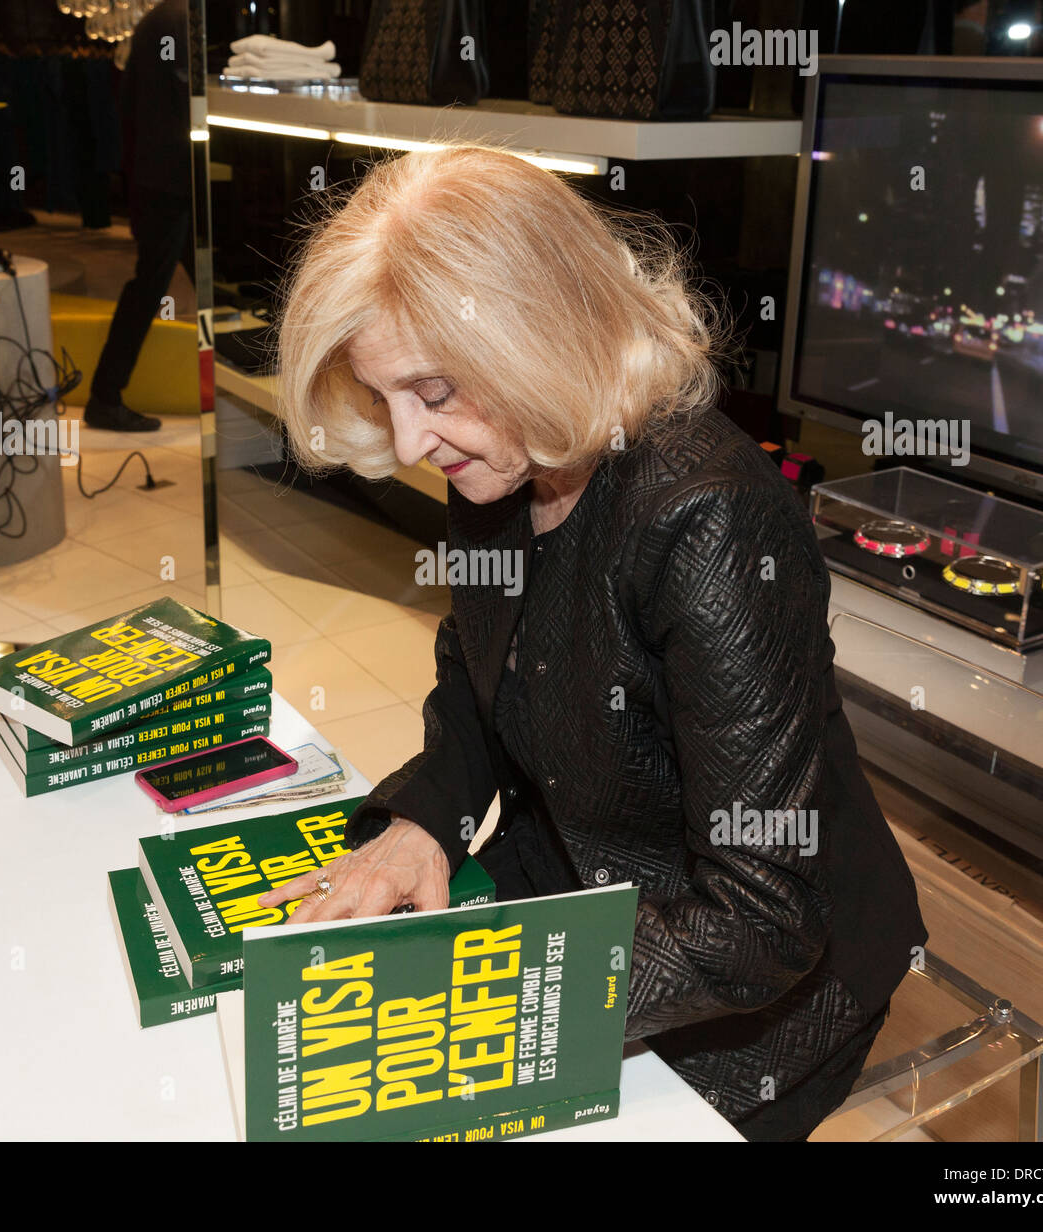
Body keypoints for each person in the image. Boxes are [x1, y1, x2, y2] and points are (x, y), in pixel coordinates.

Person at [257, 143, 929, 1141]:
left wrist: (498, 1010)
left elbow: (765, 916)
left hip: (758, 987)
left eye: (432, 392)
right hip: (582, 863)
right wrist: (421, 823)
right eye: (386, 396)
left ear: (538, 337)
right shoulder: (499, 453)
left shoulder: (709, 518)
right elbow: (478, 682)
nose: (406, 444)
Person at [83, 0, 192, 432]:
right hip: (173, 180)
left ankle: (106, 395)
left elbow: (128, 105)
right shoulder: (177, 20)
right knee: (149, 288)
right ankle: (104, 396)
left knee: (191, 281)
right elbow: (188, 102)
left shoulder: (157, 20)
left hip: (157, 176)